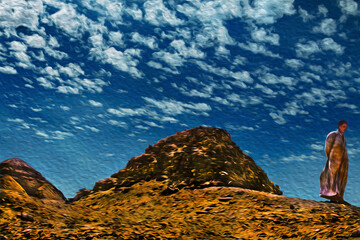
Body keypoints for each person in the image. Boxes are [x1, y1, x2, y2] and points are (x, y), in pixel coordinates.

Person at [319, 120, 349, 204]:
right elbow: (327, 148)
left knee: (341, 178)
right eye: (343, 126)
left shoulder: (344, 138)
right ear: (339, 126)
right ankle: (331, 195)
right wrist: (331, 158)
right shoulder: (332, 135)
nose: (345, 128)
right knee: (331, 177)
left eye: (346, 127)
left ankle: (338, 196)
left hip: (342, 162)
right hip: (333, 161)